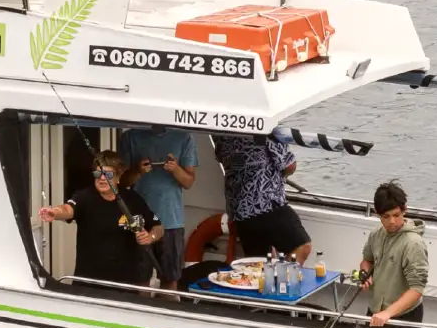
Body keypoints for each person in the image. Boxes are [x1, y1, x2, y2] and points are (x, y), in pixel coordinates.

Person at [36, 152, 162, 288]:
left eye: (108, 175)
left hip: (126, 284)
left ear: (119, 177)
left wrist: (150, 237)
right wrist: (54, 212)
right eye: (97, 174)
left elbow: (158, 227)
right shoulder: (85, 197)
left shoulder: (133, 199)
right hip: (89, 283)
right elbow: (67, 209)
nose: (102, 178)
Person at [212, 129, 311, 261]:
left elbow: (221, 156)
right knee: (302, 246)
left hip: (240, 209)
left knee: (259, 264)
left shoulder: (222, 130)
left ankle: (272, 280)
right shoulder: (265, 127)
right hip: (266, 204)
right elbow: (289, 165)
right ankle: (285, 281)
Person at [119, 122, 197, 286]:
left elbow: (189, 182)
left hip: (171, 220)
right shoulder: (131, 136)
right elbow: (122, 181)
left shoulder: (184, 137)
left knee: (170, 280)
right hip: (138, 221)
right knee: (140, 280)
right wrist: (138, 171)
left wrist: (175, 169)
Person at [352, 180, 429, 328]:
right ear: (377, 212)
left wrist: (387, 313)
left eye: (396, 215)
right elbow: (367, 260)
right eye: (385, 216)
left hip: (404, 317)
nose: (392, 221)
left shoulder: (414, 244)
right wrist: (364, 273)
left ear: (405, 209)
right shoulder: (376, 234)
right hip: (375, 312)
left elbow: (417, 289)